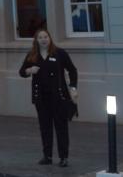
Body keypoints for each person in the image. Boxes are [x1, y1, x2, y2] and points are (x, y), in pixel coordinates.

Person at [18, 29, 78, 168]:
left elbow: (72, 70)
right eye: (40, 37)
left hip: (58, 97)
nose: (44, 39)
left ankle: (64, 157)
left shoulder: (59, 53)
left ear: (50, 38)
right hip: (41, 98)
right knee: (45, 127)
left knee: (61, 127)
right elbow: (21, 72)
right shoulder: (32, 55)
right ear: (36, 40)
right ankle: (47, 156)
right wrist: (29, 71)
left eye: (46, 37)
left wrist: (73, 87)